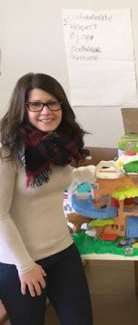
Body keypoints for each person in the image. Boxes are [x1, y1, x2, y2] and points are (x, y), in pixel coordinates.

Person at [0, 73, 95, 325]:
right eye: (36, 104)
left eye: (53, 103)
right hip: (21, 262)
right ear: (22, 108)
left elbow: (59, 180)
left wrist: (99, 173)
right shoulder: (8, 151)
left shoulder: (56, 144)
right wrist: (24, 266)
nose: (46, 111)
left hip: (62, 250)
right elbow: (0, 216)